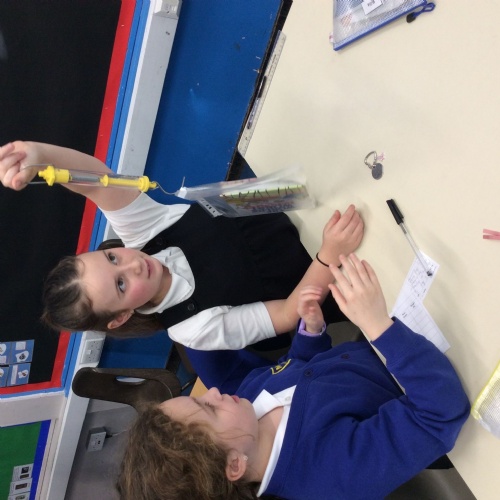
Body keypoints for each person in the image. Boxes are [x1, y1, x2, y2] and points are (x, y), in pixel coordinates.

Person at [117, 253, 470, 500]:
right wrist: (377, 326)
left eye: (198, 398)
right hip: (448, 377)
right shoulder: (330, 474)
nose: (213, 393)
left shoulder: (247, 405)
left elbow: (294, 369)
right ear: (235, 464)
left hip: (405, 343)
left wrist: (310, 335)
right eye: (208, 409)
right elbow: (439, 412)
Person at [0, 141, 363, 359]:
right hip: (342, 270)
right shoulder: (192, 329)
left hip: (315, 212)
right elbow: (288, 312)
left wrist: (39, 155)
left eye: (112, 258)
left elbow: (95, 181)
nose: (133, 265)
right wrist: (331, 254)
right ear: (121, 317)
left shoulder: (143, 233)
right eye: (121, 285)